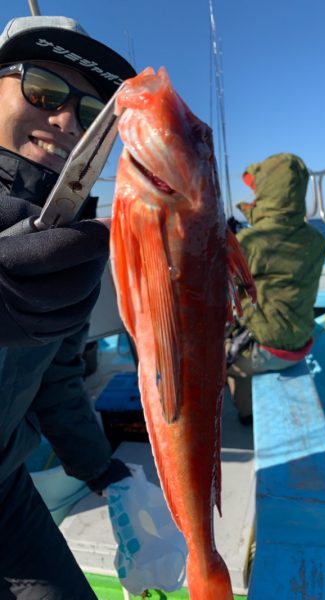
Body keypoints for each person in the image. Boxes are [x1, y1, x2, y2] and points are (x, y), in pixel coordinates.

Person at [0, 15, 137, 599]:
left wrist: (97, 466)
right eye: (44, 91)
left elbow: (56, 375)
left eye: (89, 116)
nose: (64, 120)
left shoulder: (69, 242)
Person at [226, 153, 325, 425]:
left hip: (262, 353)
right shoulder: (317, 241)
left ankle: (245, 414)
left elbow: (224, 292)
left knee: (224, 363)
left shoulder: (248, 241)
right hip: (300, 345)